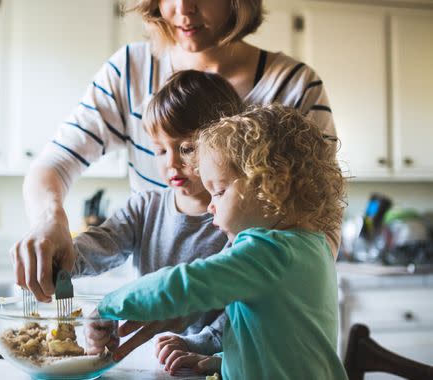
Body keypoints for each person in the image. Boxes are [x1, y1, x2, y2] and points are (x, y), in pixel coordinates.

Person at [11, 0, 340, 357]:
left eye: (187, 149)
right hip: (161, 351)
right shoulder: (129, 72)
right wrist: (54, 232)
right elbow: (57, 165)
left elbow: (318, 231)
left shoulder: (295, 89)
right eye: (160, 150)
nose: (183, 8)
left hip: (252, 352)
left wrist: (205, 332)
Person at [97, 103, 348, 379]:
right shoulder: (315, 246)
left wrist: (108, 306)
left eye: (218, 192)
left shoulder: (268, 252)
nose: (209, 206)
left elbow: (185, 284)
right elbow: (286, 345)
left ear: (270, 186)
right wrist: (222, 361)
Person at [69, 69, 242, 356]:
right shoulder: (145, 207)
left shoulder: (240, 220)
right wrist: (61, 259)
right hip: (156, 362)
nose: (171, 163)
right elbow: (102, 244)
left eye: (186, 148)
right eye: (161, 151)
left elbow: (243, 311)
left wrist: (197, 344)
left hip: (219, 364)